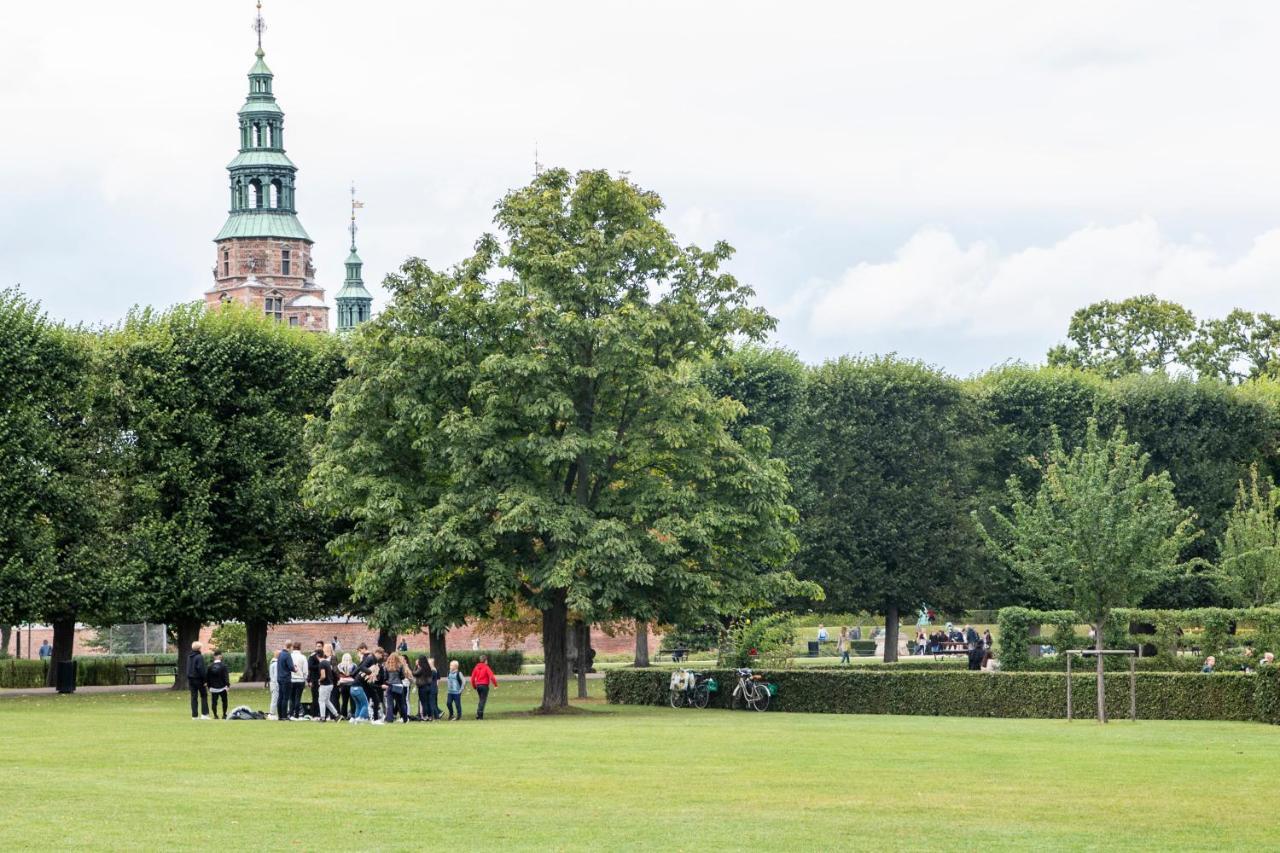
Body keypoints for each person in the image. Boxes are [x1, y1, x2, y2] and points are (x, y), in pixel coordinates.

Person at [385, 653, 412, 723]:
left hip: (390, 685)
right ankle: (405, 719)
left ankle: (389, 719)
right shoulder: (399, 666)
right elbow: (402, 676)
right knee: (401, 703)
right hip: (399, 685)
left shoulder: (387, 666)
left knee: (390, 704)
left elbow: (385, 677)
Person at [186, 641, 210, 719]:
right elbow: (201, 669)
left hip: (191, 680)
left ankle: (194, 716)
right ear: (199, 648)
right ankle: (204, 714)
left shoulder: (189, 657)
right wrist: (205, 680)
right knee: (203, 695)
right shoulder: (199, 657)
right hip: (199, 680)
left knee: (193, 697)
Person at [470, 655, 498, 720]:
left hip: (478, 686)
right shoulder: (486, 667)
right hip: (484, 686)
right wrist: (495, 685)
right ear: (485, 661)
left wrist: (474, 686)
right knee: (483, 700)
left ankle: (478, 714)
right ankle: (479, 715)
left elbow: (472, 678)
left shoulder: (476, 667)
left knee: (480, 700)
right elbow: (492, 677)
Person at [207, 649, 230, 719]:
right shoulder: (224, 666)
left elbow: (208, 677)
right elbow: (226, 677)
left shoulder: (210, 667)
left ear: (214, 656)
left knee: (214, 702)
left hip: (213, 687)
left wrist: (209, 686)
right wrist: (227, 685)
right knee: (224, 701)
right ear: (221, 656)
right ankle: (224, 714)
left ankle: (215, 715)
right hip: (222, 687)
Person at [274, 641, 294, 721]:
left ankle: (280, 715)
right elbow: (290, 667)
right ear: (290, 647)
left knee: (280, 697)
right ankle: (284, 716)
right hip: (286, 678)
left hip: (280, 678)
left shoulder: (280, 654)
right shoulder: (287, 655)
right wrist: (295, 669)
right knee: (285, 698)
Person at [349, 657, 372, 724]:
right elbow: (369, 681)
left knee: (358, 705)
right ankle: (360, 718)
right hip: (358, 688)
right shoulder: (367, 671)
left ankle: (356, 719)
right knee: (365, 704)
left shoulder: (360, 671)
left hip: (352, 688)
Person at [413, 655, 435, 721]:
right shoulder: (428, 668)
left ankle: (425, 716)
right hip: (428, 687)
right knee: (428, 702)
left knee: (423, 702)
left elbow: (414, 673)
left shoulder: (421, 668)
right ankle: (430, 716)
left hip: (422, 687)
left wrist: (416, 666)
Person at [289, 641, 307, 719]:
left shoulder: (290, 656)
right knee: (298, 698)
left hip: (291, 679)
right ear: (300, 647)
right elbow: (305, 670)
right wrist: (305, 678)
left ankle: (290, 713)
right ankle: (296, 714)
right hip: (300, 680)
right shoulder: (303, 657)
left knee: (291, 698)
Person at [307, 640, 324, 718]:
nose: (318, 648)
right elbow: (310, 667)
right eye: (317, 646)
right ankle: (314, 714)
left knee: (323, 698)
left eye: (320, 646)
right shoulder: (312, 656)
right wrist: (320, 666)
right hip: (314, 679)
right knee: (315, 697)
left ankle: (323, 713)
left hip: (324, 679)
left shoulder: (324, 655)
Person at [267, 651, 280, 720]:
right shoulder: (276, 664)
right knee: (275, 698)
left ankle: (273, 712)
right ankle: (272, 713)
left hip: (272, 683)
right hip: (275, 683)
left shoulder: (272, 663)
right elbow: (276, 675)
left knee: (274, 698)